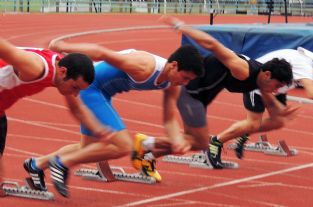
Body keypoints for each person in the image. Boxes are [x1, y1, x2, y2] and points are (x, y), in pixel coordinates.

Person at [25, 40, 204, 197]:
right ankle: (62, 163)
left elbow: (169, 120)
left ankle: (36, 164)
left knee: (86, 148)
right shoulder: (143, 66)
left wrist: (176, 140)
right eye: (185, 77)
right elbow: (101, 53)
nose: (185, 83)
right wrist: (63, 47)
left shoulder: (172, 84)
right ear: (173, 65)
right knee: (124, 145)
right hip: (91, 88)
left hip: (103, 92)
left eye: (189, 80)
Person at [130, 15, 295, 172]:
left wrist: (280, 111)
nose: (276, 90)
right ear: (267, 74)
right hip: (191, 90)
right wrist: (181, 26)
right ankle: (145, 144)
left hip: (202, 94)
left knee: (193, 142)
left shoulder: (261, 81)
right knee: (199, 142)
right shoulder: (242, 70)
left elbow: (270, 102)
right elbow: (212, 44)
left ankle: (148, 154)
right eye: (277, 85)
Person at [0, 38, 114, 193]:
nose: (75, 93)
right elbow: (6, 49)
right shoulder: (34, 67)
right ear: (63, 72)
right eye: (75, 87)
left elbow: (77, 109)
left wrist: (99, 130)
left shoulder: (62, 67)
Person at [218, 47, 313, 160]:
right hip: (258, 85)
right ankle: (215, 142)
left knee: (278, 121)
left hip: (276, 87)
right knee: (253, 123)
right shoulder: (306, 65)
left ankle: (243, 133)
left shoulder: (311, 62)